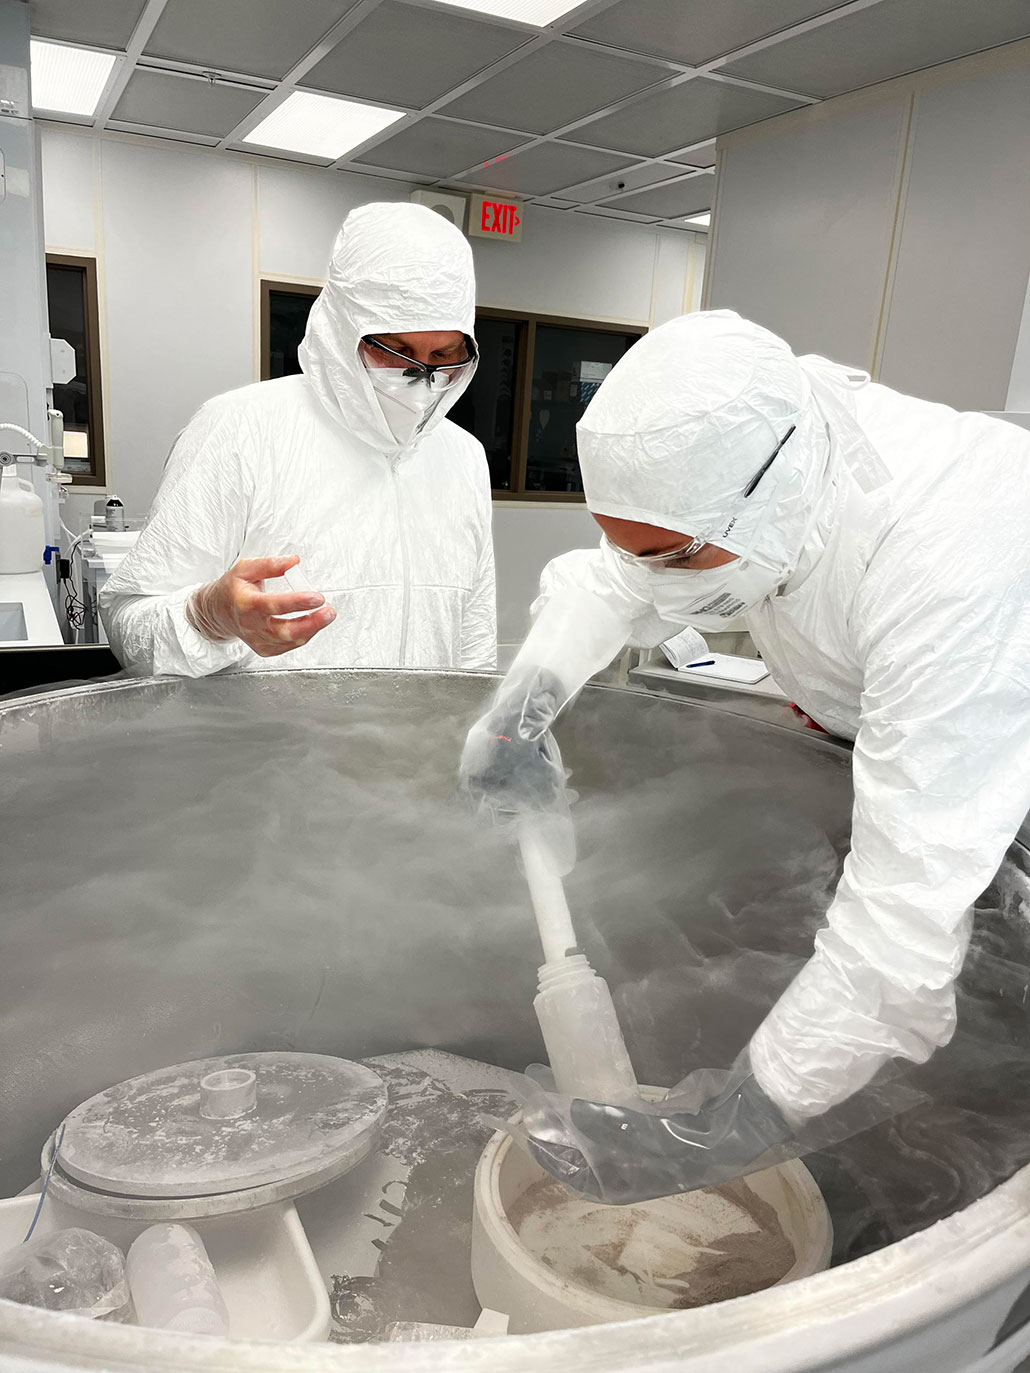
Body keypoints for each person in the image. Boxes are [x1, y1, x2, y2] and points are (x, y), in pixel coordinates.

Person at [462, 309, 1030, 1203]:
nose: (651, 583)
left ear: (769, 499)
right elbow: (619, 574)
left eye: (674, 558)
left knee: (984, 1056)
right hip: (923, 754)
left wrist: (734, 1124)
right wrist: (521, 708)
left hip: (998, 769)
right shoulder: (760, 448)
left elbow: (898, 936)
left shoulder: (950, 562)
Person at [101, 203, 495, 677]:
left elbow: (473, 640)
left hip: (424, 728)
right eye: (395, 350)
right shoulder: (242, 429)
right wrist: (208, 616)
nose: (420, 377)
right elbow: (129, 626)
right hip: (260, 729)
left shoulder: (463, 456)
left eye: (444, 355)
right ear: (343, 328)